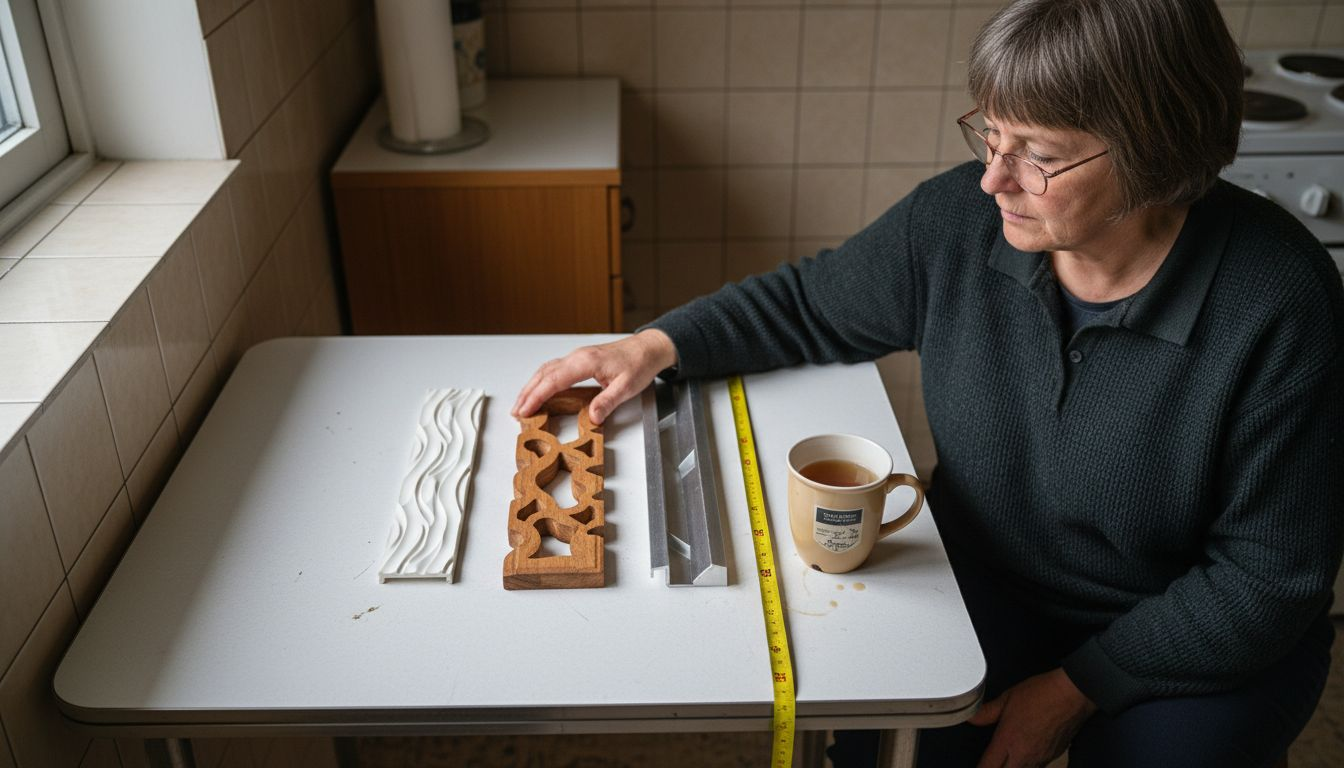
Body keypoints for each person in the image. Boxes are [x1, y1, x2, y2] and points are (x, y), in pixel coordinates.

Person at [512, 0, 1344, 765]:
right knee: (889, 745)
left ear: (1157, 152)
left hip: (1202, 629)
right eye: (991, 135)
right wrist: (655, 345)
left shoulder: (1282, 304)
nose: (994, 179)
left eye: (1039, 156)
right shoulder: (957, 223)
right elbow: (810, 304)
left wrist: (1072, 689)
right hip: (990, 577)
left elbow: (1267, 579)